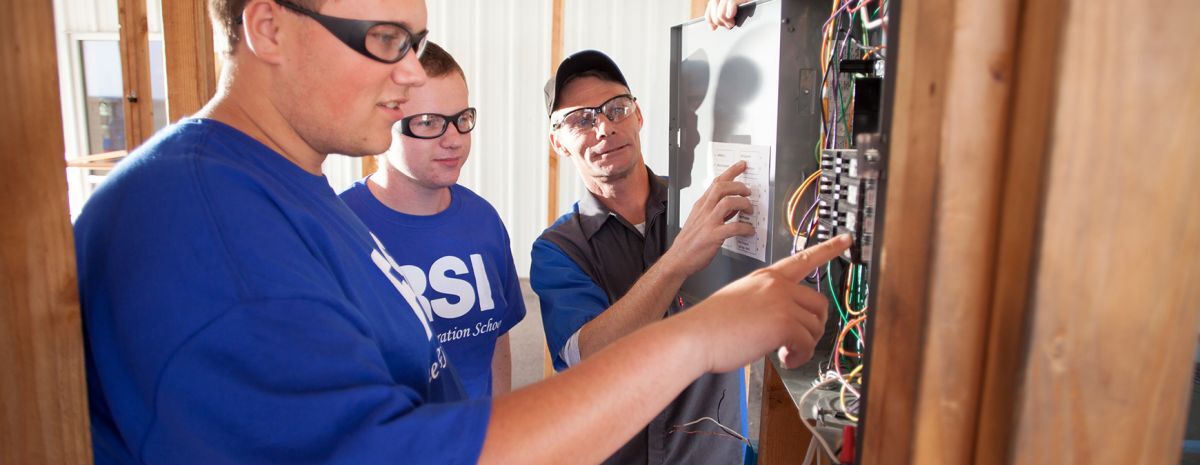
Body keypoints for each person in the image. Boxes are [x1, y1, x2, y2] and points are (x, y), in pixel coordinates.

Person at [73, 0, 850, 463]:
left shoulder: (288, 188)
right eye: (385, 38)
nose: (411, 74)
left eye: (414, 42)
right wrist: (700, 334)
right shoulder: (207, 229)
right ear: (269, 27)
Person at [532, 50, 769, 464]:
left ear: (638, 116)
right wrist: (678, 260)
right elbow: (590, 358)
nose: (604, 128)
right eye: (580, 120)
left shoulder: (703, 206)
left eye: (616, 109)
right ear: (558, 142)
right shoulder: (558, 248)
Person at [340, 42, 523, 398]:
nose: (453, 139)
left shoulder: (483, 220)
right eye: (429, 123)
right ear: (384, 120)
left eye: (462, 120)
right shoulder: (341, 227)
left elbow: (498, 342)